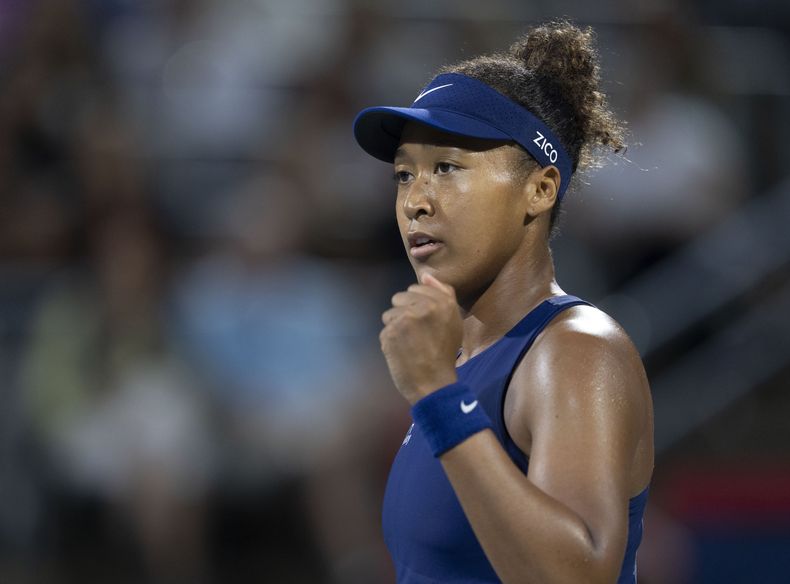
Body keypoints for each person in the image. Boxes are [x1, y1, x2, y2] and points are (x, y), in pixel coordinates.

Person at [352, 20, 654, 584]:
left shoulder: (578, 350)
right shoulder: (463, 361)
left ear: (539, 190)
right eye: (403, 175)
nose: (415, 201)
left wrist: (437, 395)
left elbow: (579, 575)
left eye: (446, 167)